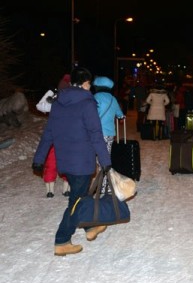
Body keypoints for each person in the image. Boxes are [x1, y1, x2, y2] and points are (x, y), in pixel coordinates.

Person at [32, 67, 112, 257]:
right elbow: (95, 134)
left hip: (65, 160)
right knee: (76, 200)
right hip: (82, 160)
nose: (90, 86)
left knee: (82, 195)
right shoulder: (87, 103)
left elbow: (49, 133)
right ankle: (62, 240)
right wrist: (105, 160)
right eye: (89, 83)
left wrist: (38, 159)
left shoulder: (58, 102)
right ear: (85, 83)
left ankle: (90, 228)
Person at [35, 73, 71, 198]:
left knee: (53, 162)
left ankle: (51, 190)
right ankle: (63, 189)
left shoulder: (54, 101)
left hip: (56, 137)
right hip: (64, 138)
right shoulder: (69, 101)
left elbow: (40, 106)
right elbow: (39, 106)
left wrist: (50, 95)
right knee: (62, 162)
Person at [93, 76, 124, 192]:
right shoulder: (113, 99)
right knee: (105, 158)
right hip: (109, 134)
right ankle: (104, 185)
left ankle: (97, 183)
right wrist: (121, 117)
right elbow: (120, 114)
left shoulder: (94, 98)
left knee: (94, 158)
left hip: (95, 133)